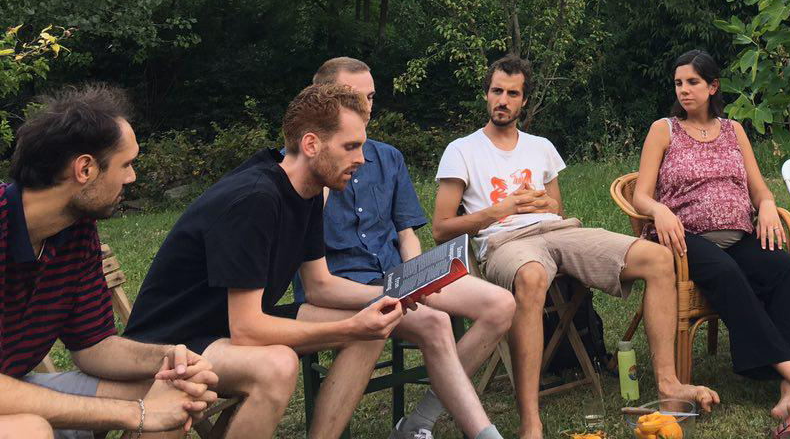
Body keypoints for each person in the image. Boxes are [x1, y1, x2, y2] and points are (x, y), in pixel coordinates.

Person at [125, 84, 508, 439]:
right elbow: (248, 330)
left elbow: (320, 285)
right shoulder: (256, 198)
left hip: (227, 325)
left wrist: (394, 293)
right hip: (177, 340)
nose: (361, 159)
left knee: (373, 327)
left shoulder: (306, 191)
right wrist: (350, 326)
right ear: (311, 143)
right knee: (288, 359)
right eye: (351, 146)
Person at [432, 54, 717, 439]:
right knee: (532, 276)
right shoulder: (462, 150)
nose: (503, 100)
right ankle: (531, 421)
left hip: (558, 232)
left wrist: (542, 205)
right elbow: (441, 229)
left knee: (657, 257)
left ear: (524, 101)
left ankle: (669, 384)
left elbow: (557, 209)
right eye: (497, 91)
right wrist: (500, 210)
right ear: (486, 94)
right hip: (504, 242)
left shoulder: (540, 147)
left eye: (512, 94)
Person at [633, 49, 790, 435]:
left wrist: (767, 206)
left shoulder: (734, 131)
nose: (684, 90)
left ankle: (787, 393)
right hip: (686, 240)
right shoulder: (663, 130)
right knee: (727, 272)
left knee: (785, 269)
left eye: (693, 82)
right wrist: (659, 210)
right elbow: (640, 196)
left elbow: (759, 188)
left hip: (738, 235)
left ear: (713, 86)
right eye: (679, 83)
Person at [310, 57, 515, 439]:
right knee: (435, 323)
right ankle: (483, 433)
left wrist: (417, 277)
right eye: (354, 97)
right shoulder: (307, 161)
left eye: (371, 97)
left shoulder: (388, 157)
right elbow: (306, 255)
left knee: (501, 304)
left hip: (395, 276)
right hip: (342, 288)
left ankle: (420, 420)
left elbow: (406, 233)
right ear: (323, 100)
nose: (366, 107)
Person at [0, 84, 219, 439]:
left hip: (15, 386)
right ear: (85, 169)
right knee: (29, 430)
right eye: (126, 164)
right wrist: (136, 414)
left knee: (177, 393)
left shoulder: (76, 232)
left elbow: (93, 346)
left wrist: (168, 357)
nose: (132, 177)